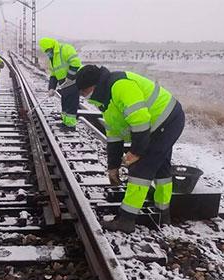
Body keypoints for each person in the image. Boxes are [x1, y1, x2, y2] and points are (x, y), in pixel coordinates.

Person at [75, 65, 185, 233]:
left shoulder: (120, 86)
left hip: (167, 120)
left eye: (83, 91)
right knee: (161, 168)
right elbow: (114, 135)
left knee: (141, 169)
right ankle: (163, 213)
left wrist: (135, 152)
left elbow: (140, 122)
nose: (83, 95)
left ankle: (126, 220)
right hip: (155, 125)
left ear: (93, 85)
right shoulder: (106, 100)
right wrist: (113, 167)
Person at [38, 37, 82, 131]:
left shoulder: (65, 49)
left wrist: (69, 78)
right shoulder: (52, 58)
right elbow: (53, 74)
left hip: (74, 80)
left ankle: (70, 126)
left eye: (49, 50)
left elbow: (76, 63)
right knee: (65, 102)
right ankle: (65, 123)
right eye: (46, 51)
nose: (48, 53)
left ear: (53, 47)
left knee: (71, 103)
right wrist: (51, 88)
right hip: (64, 83)